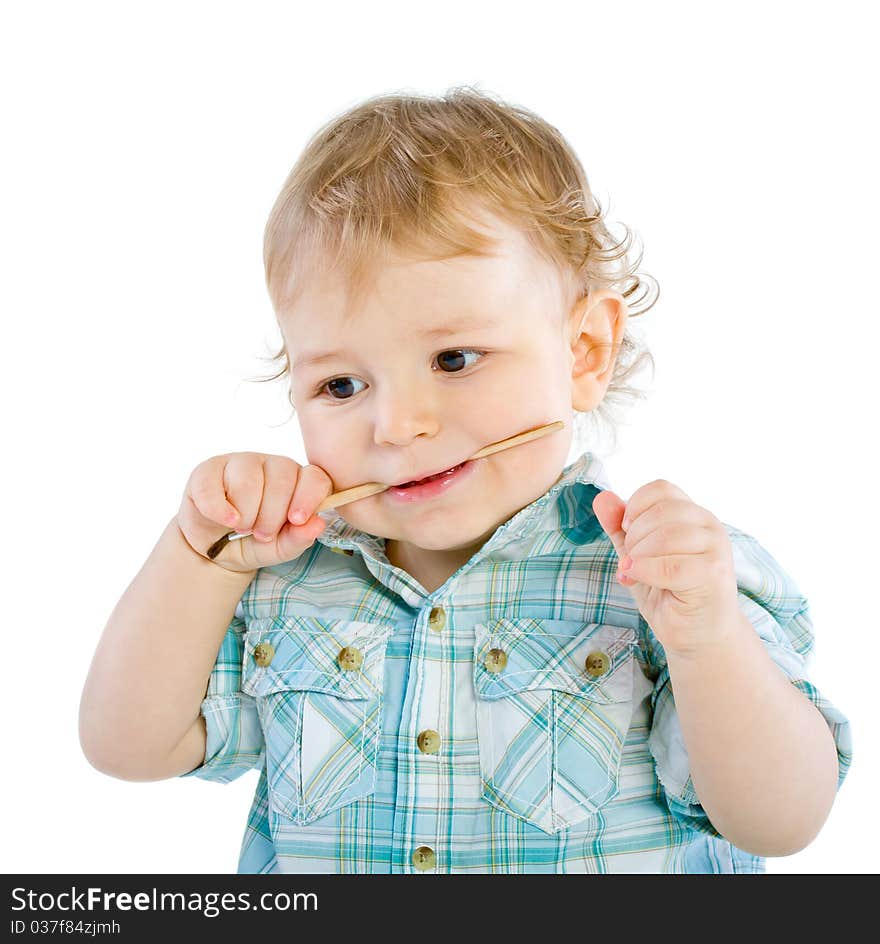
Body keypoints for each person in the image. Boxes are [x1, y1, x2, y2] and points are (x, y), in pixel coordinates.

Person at [79, 86, 853, 874]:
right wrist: (197, 558)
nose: (396, 426)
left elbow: (779, 823)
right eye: (341, 386)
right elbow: (127, 746)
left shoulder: (675, 581)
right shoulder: (284, 582)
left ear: (584, 351)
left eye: (454, 360)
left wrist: (708, 640)